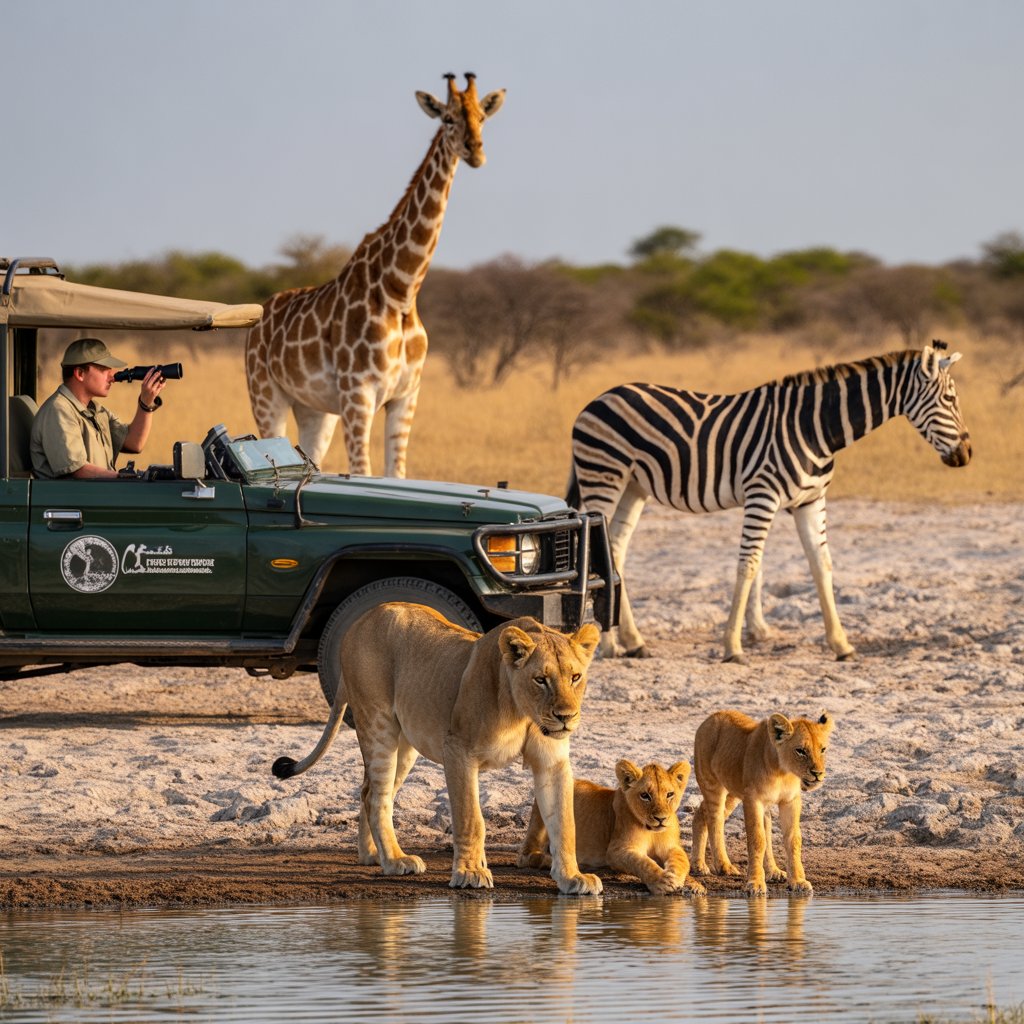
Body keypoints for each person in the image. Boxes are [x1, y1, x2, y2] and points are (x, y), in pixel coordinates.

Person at [30, 338, 167, 480]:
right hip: (74, 500)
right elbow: (78, 470)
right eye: (103, 369)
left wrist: (146, 403)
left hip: (95, 497)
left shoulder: (94, 410)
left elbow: (134, 443)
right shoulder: (58, 410)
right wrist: (127, 478)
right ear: (80, 374)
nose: (112, 375)